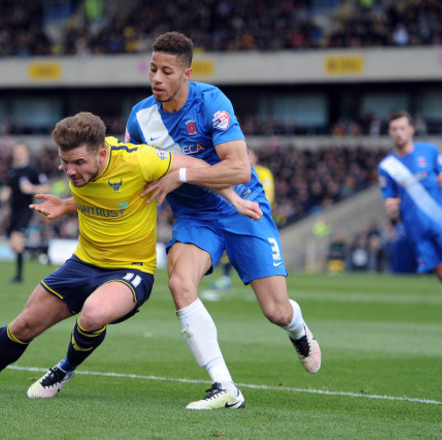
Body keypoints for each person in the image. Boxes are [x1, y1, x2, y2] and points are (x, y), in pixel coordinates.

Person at [0, 112, 261, 397]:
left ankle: (64, 369)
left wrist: (233, 199)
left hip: (131, 270)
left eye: (78, 163)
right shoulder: (76, 166)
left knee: (92, 314)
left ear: (102, 153)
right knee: (23, 325)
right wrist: (66, 204)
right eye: (64, 162)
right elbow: (102, 194)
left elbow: (201, 167)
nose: (70, 171)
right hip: (83, 263)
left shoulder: (140, 160)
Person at [125, 31, 321, 410]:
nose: (157, 79)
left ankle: (298, 330)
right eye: (152, 70)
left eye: (167, 71)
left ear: (187, 73)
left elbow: (238, 168)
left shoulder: (212, 102)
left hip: (242, 206)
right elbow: (132, 170)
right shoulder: (140, 119)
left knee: (276, 311)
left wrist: (180, 176)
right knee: (181, 283)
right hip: (195, 216)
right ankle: (224, 386)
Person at [378, 111, 442, 310]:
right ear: (390, 132)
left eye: (402, 128)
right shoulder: (387, 166)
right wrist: (391, 207)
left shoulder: (430, 151)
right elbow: (391, 202)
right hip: (416, 229)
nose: (398, 133)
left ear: (412, 130)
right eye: (394, 129)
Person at [210, 148, 275, 290]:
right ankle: (225, 278)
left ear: (255, 158)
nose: (246, 157)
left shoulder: (263, 173)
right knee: (229, 248)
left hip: (257, 215)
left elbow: (268, 195)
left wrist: (259, 210)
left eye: (249, 155)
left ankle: (265, 280)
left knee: (255, 250)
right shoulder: (236, 171)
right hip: (237, 213)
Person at [0, 144, 50, 283]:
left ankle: (19, 277)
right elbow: (9, 188)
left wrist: (32, 188)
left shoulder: (32, 171)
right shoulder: (12, 171)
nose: (18, 154)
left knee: (16, 239)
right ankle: (41, 248)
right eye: (16, 152)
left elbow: (46, 186)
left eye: (21, 152)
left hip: (25, 210)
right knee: (14, 244)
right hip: (13, 211)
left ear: (27, 154)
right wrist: (4, 194)